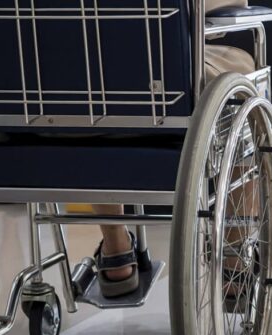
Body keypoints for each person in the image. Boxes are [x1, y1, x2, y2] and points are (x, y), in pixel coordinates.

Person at [94, 0, 255, 298]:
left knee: (85, 64)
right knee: (246, 74)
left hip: (44, 93)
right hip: (163, 83)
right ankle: (234, 255)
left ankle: (115, 246)